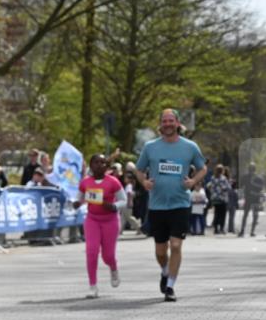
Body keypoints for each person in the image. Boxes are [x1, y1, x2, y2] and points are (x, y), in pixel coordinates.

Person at [134, 108, 207, 302]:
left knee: (175, 245)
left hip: (180, 204)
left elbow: (203, 168)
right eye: (164, 121)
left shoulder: (190, 147)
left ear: (177, 123)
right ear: (161, 124)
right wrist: (144, 182)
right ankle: (165, 271)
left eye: (171, 120)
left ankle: (170, 286)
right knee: (160, 251)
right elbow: (139, 170)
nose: (167, 124)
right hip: (157, 206)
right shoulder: (150, 147)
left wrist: (193, 182)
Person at [74, 154, 126, 298]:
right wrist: (77, 203)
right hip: (92, 220)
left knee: (107, 256)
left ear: (107, 166)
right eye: (96, 162)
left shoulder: (113, 182)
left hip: (110, 221)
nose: (99, 165)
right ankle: (93, 286)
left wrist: (113, 206)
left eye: (103, 162)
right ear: (91, 165)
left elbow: (124, 200)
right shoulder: (85, 182)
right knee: (91, 251)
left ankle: (113, 267)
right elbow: (79, 198)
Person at [238, 163, 265, 237]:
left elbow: (240, 186)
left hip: (248, 198)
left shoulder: (245, 177)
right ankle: (252, 231)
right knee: (255, 215)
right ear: (255, 169)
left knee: (245, 215)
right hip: (256, 198)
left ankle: (242, 231)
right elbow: (261, 188)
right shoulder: (259, 178)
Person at [207, 164, 230, 235]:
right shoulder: (223, 178)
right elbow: (227, 187)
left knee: (216, 214)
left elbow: (209, 186)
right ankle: (222, 228)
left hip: (215, 199)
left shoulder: (213, 178)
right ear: (222, 170)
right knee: (223, 214)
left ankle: (216, 229)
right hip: (222, 198)